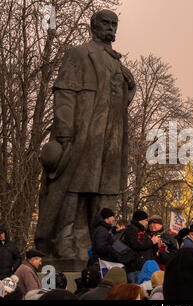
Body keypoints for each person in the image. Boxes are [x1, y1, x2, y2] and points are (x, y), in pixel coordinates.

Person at [35, 9, 136, 261]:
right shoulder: (79, 54)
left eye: (114, 24)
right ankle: (64, 240)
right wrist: (65, 132)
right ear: (94, 26)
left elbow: (121, 100)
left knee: (104, 189)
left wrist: (129, 85)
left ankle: (98, 241)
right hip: (85, 133)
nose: (111, 28)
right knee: (74, 186)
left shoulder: (118, 63)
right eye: (106, 23)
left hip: (111, 138)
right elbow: (64, 93)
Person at [125, 210, 160, 283]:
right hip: (135, 268)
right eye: (146, 220)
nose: (147, 223)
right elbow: (137, 243)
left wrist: (155, 244)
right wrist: (151, 241)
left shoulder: (140, 230)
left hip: (140, 268)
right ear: (140, 220)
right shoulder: (132, 229)